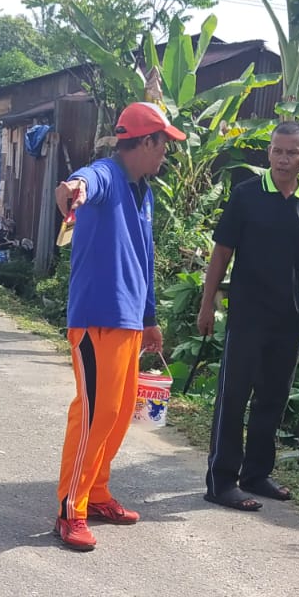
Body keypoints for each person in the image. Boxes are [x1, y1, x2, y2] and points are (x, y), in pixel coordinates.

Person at [52, 101, 184, 552]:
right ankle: (72, 509)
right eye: (162, 145)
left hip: (129, 321)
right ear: (144, 142)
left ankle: (97, 493)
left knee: (119, 411)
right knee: (93, 413)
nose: (164, 154)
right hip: (95, 320)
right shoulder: (107, 176)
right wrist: (72, 188)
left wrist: (149, 320)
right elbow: (85, 180)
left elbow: (143, 263)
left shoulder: (142, 193)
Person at [198, 121, 299, 510]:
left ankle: (256, 474)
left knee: (272, 399)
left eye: (292, 152)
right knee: (233, 397)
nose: (283, 158)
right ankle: (221, 481)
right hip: (247, 316)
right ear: (269, 152)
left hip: (287, 318)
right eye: (277, 150)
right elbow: (221, 252)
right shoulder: (246, 196)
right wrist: (207, 304)